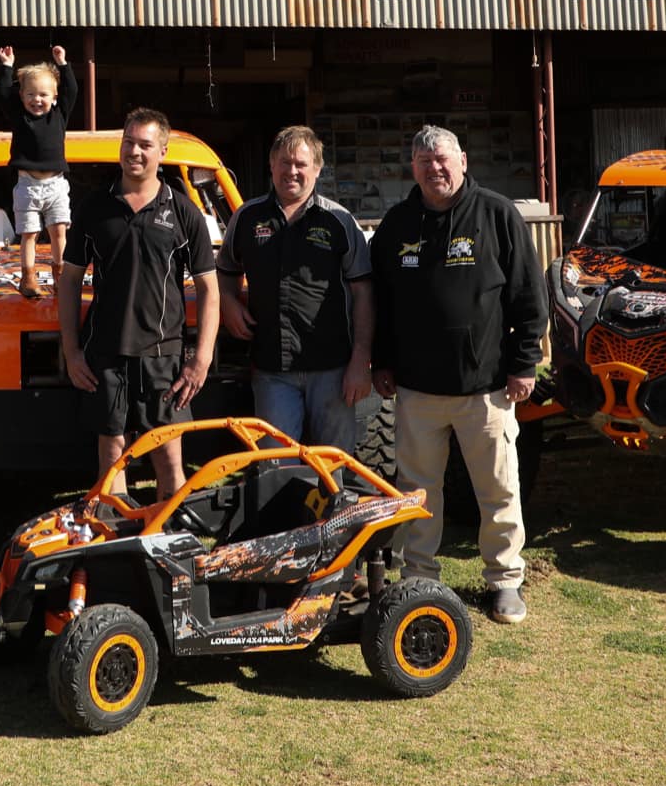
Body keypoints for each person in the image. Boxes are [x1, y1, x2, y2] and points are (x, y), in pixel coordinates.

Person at [363, 125, 547, 624]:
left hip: (486, 388)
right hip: (417, 390)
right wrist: (382, 362)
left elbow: (529, 296)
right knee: (418, 493)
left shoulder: (497, 214)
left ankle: (506, 580)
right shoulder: (397, 225)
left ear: (463, 160)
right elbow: (380, 301)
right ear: (413, 169)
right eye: (423, 162)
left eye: (442, 159)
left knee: (499, 490)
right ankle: (419, 577)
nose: (434, 168)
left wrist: (524, 363)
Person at [57, 107, 220, 497]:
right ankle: (113, 538)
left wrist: (202, 359)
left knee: (168, 455)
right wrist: (72, 350)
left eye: (145, 145)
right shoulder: (94, 208)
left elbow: (211, 291)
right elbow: (69, 282)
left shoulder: (184, 213)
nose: (134, 151)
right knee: (112, 454)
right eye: (128, 142)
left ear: (162, 151)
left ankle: (171, 538)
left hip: (164, 357)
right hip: (104, 355)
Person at [217, 125, 374, 452]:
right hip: (272, 370)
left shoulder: (340, 222)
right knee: (276, 466)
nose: (292, 171)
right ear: (272, 164)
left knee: (334, 467)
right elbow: (224, 272)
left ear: (317, 169)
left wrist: (361, 359)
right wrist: (227, 302)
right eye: (285, 162)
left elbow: (363, 293)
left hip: (333, 370)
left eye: (301, 165)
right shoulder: (246, 218)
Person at [0, 44, 78, 297]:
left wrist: (63, 64)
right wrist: (6, 66)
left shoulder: (60, 114)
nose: (37, 100)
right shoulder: (19, 117)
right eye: (30, 94)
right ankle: (28, 278)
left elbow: (72, 90)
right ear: (21, 96)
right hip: (27, 185)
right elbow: (2, 93)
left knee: (58, 232)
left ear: (55, 97)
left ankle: (60, 277)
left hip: (55, 185)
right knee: (29, 234)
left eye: (43, 94)